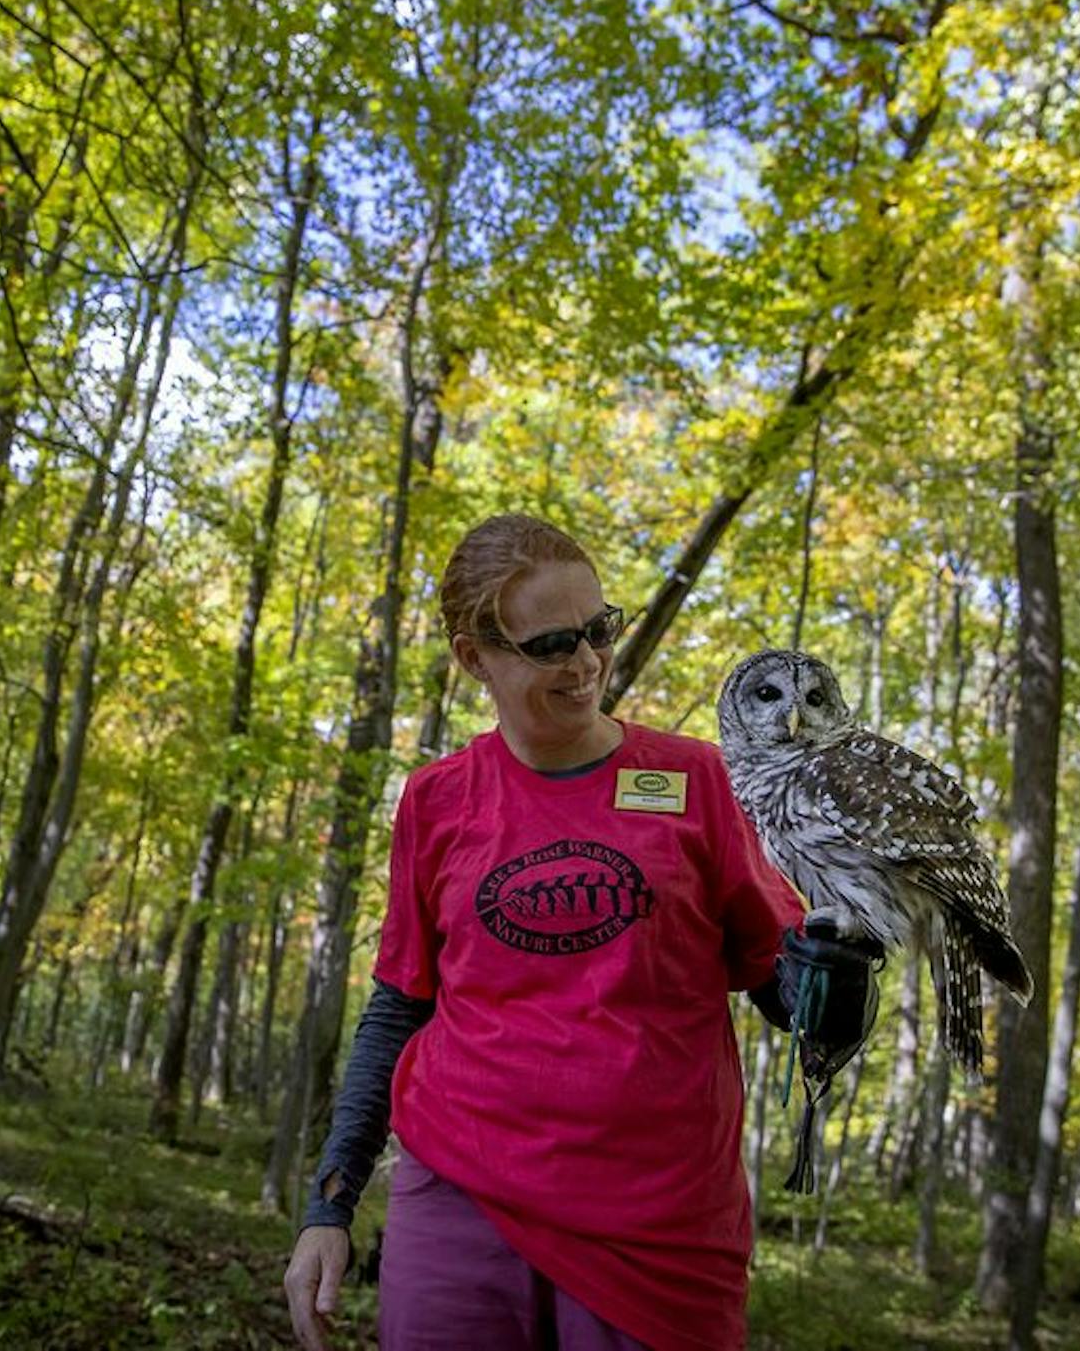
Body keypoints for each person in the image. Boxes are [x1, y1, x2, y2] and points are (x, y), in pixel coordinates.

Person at [281, 514, 882, 1351]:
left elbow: (779, 985)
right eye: (553, 643)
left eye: (600, 628)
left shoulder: (692, 779)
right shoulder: (438, 800)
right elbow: (398, 1009)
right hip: (461, 1202)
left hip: (661, 1227)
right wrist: (329, 1206)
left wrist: (833, 983)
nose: (589, 662)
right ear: (473, 658)